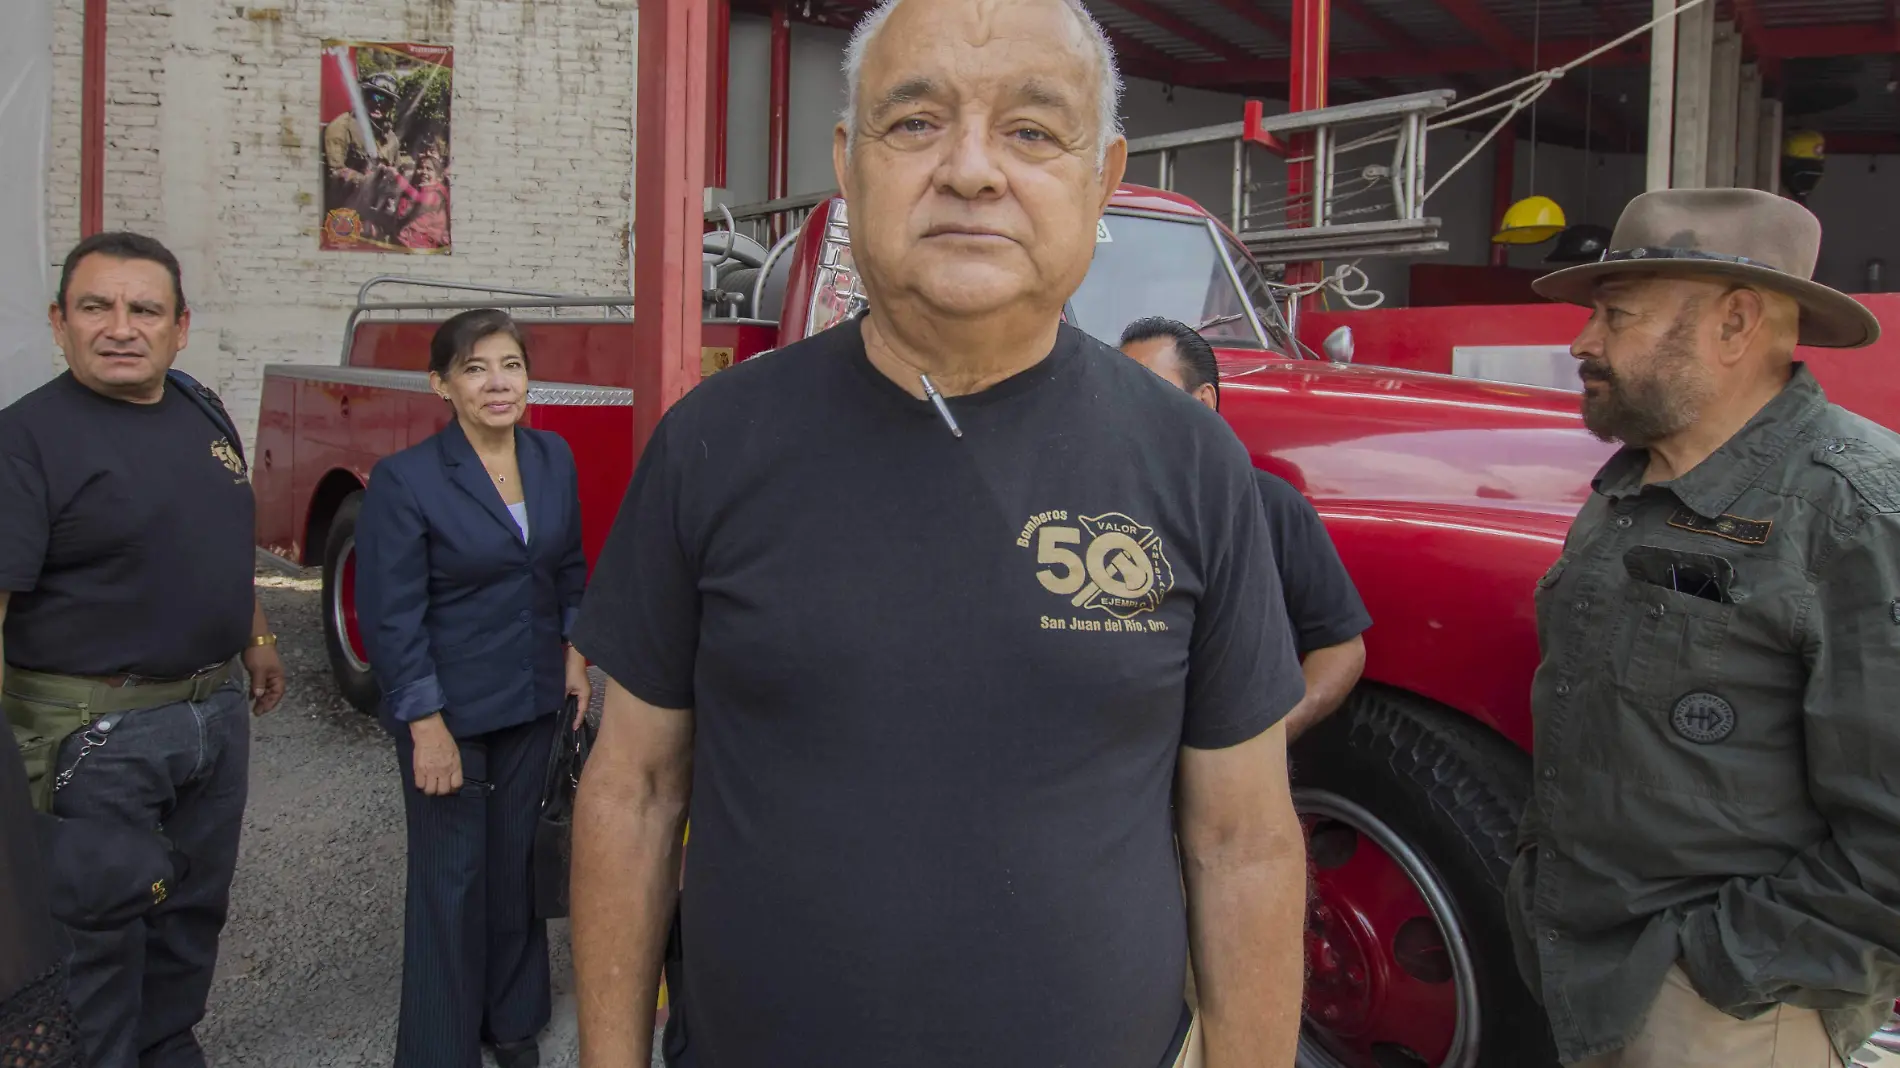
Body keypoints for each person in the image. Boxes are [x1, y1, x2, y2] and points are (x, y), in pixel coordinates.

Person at [568, 1, 1310, 1066]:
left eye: (1031, 131)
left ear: (1101, 179)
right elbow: (633, 788)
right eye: (914, 123)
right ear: (847, 163)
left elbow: (1242, 841)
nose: (970, 170)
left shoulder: (1191, 465)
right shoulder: (711, 446)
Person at [1508, 187, 1900, 1068]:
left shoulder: (1860, 516)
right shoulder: (1631, 490)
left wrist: (1714, 967)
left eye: (1618, 316)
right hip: (1593, 972)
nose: (1581, 342)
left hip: (1728, 1013)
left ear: (1734, 324)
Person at [0, 230, 287, 1068]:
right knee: (92, 939)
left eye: (144, 309)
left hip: (212, 713)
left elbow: (224, 539)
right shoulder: (26, 440)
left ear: (180, 327)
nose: (120, 327)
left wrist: (257, 635)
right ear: (60, 322)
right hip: (91, 738)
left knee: (191, 913)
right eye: (97, 307)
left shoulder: (199, 406)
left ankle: (169, 1046)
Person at [354, 308, 591, 1068]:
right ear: (442, 385)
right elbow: (391, 616)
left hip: (532, 698)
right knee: (451, 882)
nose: (498, 383)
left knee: (517, 868)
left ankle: (512, 1021)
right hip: (448, 713)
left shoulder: (553, 457)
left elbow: (567, 572)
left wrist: (577, 656)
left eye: (511, 366)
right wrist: (424, 723)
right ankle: (437, 1047)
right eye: (477, 368)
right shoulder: (407, 479)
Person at [1120, 316, 1370, 739]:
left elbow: (1341, 647)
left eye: (1150, 392)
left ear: (1204, 401)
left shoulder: (1272, 506)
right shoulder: (1093, 512)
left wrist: (1268, 740)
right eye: (1117, 396)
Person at [323, 71, 407, 239]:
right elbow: (335, 171)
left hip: (377, 216)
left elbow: (397, 174)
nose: (379, 104)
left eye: (386, 100)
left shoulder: (391, 139)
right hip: (344, 211)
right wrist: (366, 181)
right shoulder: (341, 127)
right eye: (375, 96)